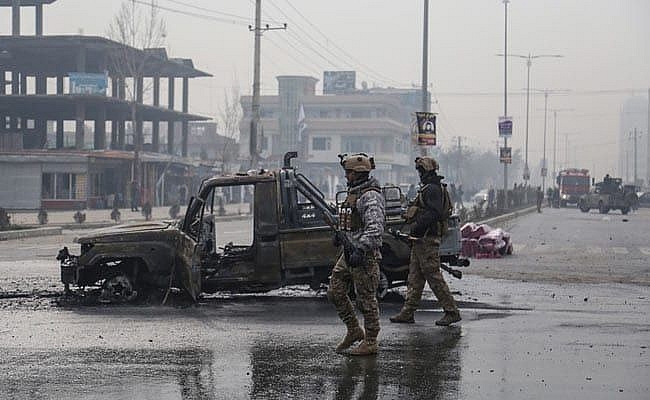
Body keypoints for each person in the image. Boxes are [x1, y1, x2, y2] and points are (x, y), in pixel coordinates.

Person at [390, 156, 461, 327]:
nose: (419, 174)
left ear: (427, 171)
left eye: (421, 170)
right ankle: (408, 313)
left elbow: (433, 213)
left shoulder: (432, 189)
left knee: (434, 277)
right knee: (415, 277)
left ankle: (451, 312)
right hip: (421, 239)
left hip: (427, 239)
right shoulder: (430, 188)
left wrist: (417, 229)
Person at [328, 152, 385, 356]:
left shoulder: (370, 196)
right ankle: (354, 330)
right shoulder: (354, 193)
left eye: (349, 172)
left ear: (359, 173)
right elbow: (349, 221)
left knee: (366, 300)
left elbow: (376, 228)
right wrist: (340, 235)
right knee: (335, 292)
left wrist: (361, 249)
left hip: (364, 256)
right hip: (349, 253)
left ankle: (370, 341)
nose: (346, 176)